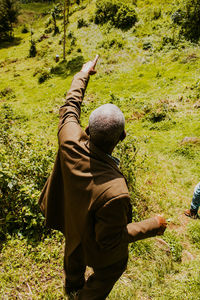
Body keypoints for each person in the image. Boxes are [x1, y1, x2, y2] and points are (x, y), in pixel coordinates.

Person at [39, 55, 167, 300]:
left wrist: (84, 73)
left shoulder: (69, 139)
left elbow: (70, 105)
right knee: (113, 267)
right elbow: (111, 240)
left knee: (73, 250)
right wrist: (153, 225)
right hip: (92, 238)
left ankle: (72, 285)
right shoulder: (115, 191)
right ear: (122, 138)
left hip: (70, 219)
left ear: (87, 128)